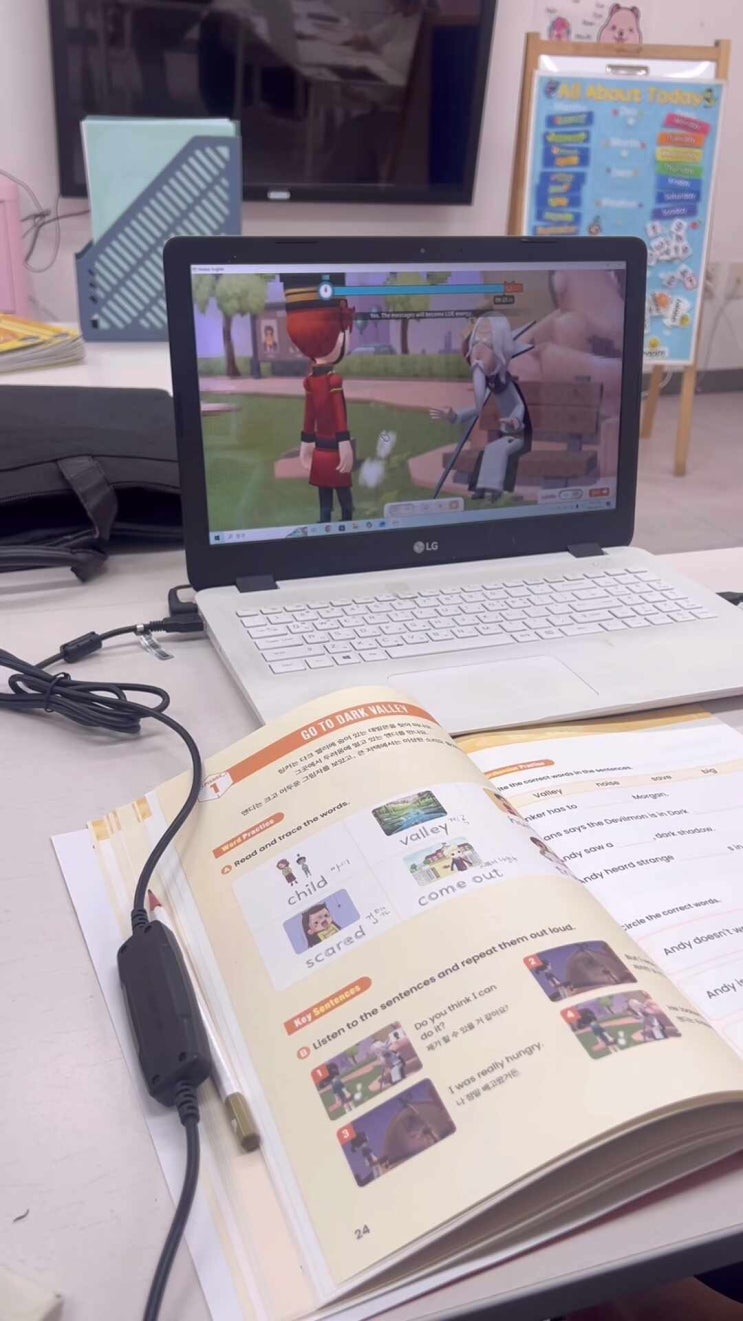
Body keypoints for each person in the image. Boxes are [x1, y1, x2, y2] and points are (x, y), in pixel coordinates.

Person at [283, 275, 356, 524]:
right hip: (333, 448)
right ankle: (345, 524)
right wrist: (344, 442)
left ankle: (326, 524)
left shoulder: (311, 382)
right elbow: (338, 416)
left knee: (325, 494)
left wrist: (306, 441)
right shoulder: (333, 381)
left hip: (322, 449)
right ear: (339, 334)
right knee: (342, 494)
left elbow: (309, 416)